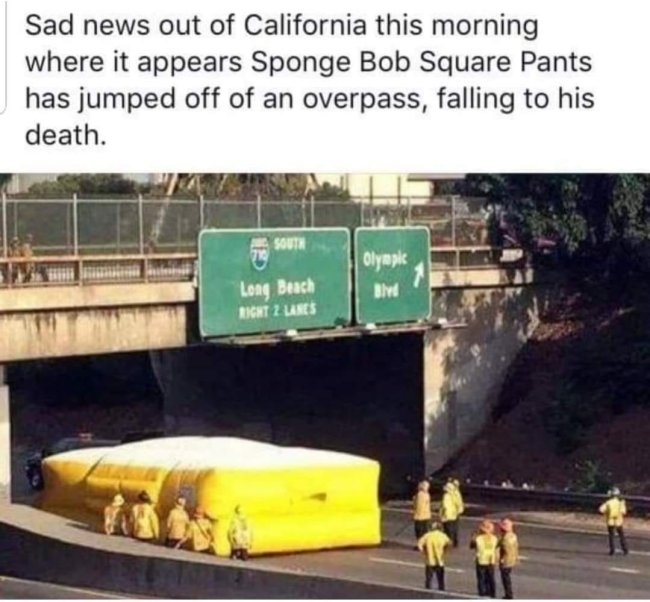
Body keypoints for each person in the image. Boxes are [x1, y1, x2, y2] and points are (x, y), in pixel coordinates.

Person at [417, 522, 451, 591]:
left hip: (429, 561)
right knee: (440, 580)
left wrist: (424, 552)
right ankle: (441, 591)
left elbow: (419, 544)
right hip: (440, 561)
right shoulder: (443, 536)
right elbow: (449, 543)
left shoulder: (427, 535)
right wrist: (445, 551)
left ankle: (427, 591)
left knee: (428, 580)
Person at [470, 519, 498, 598]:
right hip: (490, 560)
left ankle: (482, 594)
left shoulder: (478, 538)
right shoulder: (494, 538)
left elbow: (472, 545)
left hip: (481, 560)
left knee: (481, 579)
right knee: (491, 578)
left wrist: (475, 534)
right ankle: (492, 593)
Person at [599, 487, 629, 556]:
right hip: (619, 522)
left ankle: (612, 551)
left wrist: (607, 513)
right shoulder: (620, 502)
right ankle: (625, 550)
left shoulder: (608, 502)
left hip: (610, 521)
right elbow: (624, 512)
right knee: (621, 536)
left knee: (611, 536)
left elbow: (601, 510)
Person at [498, 518, 519, 599]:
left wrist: (501, 559)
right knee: (507, 578)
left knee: (505, 579)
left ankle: (508, 595)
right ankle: (508, 594)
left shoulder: (505, 538)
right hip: (512, 560)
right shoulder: (513, 536)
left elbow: (505, 549)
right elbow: (516, 547)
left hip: (506, 561)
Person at [440, 482, 460, 547]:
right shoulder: (455, 494)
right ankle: (454, 542)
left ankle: (448, 543)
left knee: (447, 530)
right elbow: (458, 504)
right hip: (453, 515)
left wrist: (442, 514)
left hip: (447, 516)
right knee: (453, 529)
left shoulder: (446, 496)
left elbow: (445, 506)